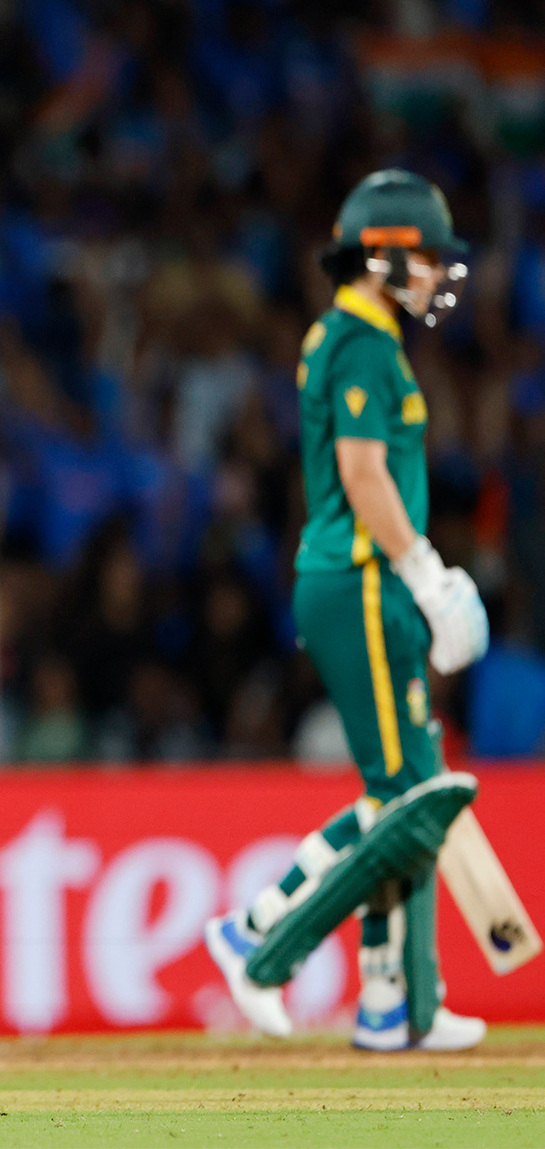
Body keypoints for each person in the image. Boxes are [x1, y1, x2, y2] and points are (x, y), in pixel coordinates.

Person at [204, 169, 489, 1051]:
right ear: (386, 253)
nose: (440, 275)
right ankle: (263, 939)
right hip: (363, 576)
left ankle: (392, 1004)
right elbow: (366, 478)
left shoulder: (345, 334)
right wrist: (429, 573)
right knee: (412, 798)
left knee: (399, 795)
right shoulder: (363, 343)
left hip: (354, 576)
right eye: (429, 256)